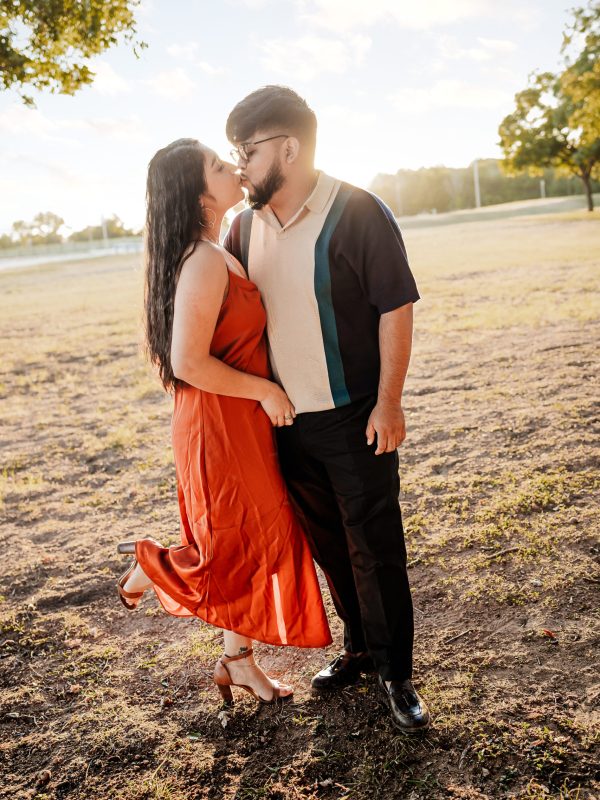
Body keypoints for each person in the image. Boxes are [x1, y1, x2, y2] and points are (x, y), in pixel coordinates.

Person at [224, 86, 430, 733]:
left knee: (375, 547)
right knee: (330, 548)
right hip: (283, 426)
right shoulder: (240, 226)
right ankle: (360, 651)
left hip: (354, 417)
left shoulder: (358, 210)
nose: (240, 167)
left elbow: (396, 304)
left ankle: (396, 674)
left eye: (247, 152)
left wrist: (389, 402)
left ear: (288, 148)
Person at [116, 137, 332, 705]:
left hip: (237, 421)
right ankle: (155, 567)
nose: (231, 166)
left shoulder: (220, 248)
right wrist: (264, 389)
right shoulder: (205, 259)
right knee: (239, 542)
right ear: (198, 193)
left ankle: (238, 663)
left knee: (259, 540)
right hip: (218, 421)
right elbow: (188, 363)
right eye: (217, 165)